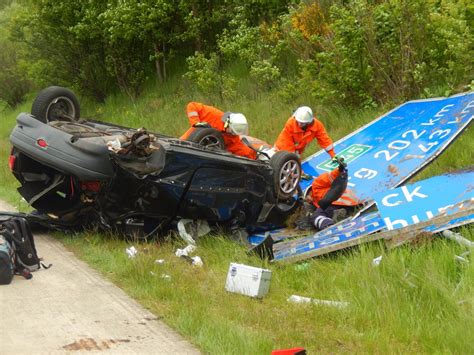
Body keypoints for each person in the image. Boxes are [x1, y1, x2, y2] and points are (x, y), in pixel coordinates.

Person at [180, 102, 256, 159]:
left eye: (235, 133)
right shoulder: (214, 115)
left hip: (205, 155)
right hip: (187, 141)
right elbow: (192, 105)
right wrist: (196, 123)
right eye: (232, 132)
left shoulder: (233, 137)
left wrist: (254, 156)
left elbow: (241, 150)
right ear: (227, 124)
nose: (233, 135)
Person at [308, 158, 361, 230]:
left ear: (308, 191)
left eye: (306, 198)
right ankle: (345, 212)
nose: (307, 200)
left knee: (316, 216)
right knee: (323, 212)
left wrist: (339, 170)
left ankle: (328, 227)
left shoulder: (316, 185)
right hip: (349, 203)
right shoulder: (315, 201)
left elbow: (329, 177)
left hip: (338, 201)